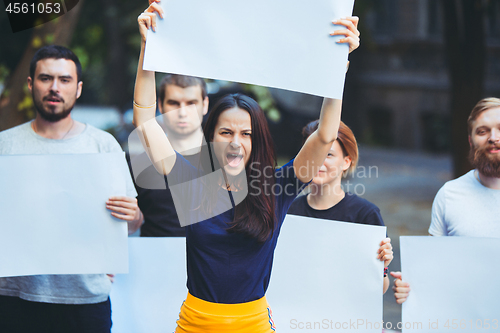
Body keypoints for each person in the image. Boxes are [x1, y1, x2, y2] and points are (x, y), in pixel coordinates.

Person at [134, 2, 360, 332]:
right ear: (211, 137)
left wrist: (336, 65)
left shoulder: (278, 187)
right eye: (226, 132)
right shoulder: (190, 181)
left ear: (258, 141)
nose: (236, 142)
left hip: (252, 325)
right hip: (194, 324)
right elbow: (145, 120)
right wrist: (148, 48)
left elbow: (326, 135)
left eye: (246, 134)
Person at [0, 45, 142, 333]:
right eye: (45, 78)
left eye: (64, 80)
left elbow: (131, 225)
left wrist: (134, 215)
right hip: (13, 298)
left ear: (77, 89)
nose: (54, 87)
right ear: (30, 84)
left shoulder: (103, 146)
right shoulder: (5, 145)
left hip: (86, 300)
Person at [392, 97, 500, 304]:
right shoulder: (450, 195)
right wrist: (411, 287)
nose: (493, 137)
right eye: (482, 131)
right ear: (470, 140)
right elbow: (436, 269)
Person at [287, 120, 393, 293]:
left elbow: (379, 290)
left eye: (328, 154)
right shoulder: (288, 212)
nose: (318, 160)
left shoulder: (365, 215)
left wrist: (382, 267)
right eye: (312, 151)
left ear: (346, 162)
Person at [129, 74, 210, 237]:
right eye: (174, 103)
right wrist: (132, 219)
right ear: (160, 105)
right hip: (153, 258)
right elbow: (126, 227)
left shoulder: (227, 162)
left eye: (191, 103)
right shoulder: (138, 164)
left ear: (205, 104)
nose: (183, 112)